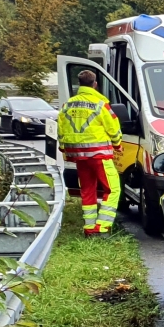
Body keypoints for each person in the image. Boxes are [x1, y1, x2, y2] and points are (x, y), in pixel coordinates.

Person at [57, 70, 123, 236]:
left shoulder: (68, 105)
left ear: (79, 84)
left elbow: (60, 129)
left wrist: (63, 147)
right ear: (95, 84)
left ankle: (89, 227)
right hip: (99, 155)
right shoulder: (101, 104)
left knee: (87, 190)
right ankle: (102, 227)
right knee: (113, 190)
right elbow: (113, 128)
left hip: (79, 156)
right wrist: (117, 144)